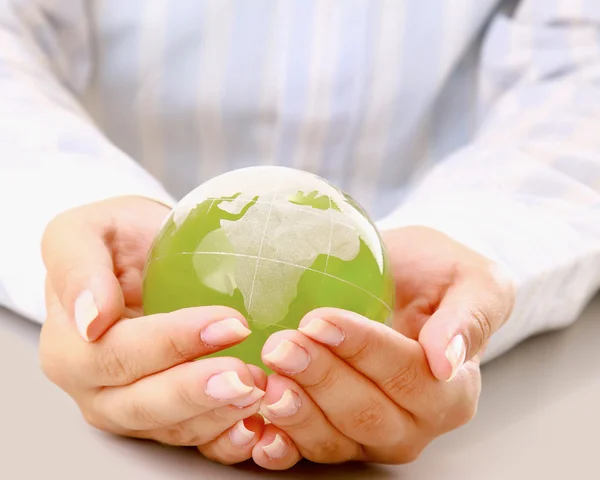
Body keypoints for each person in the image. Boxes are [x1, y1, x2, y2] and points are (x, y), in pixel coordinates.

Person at [1, 0, 599, 470]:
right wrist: (73, 216)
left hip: (422, 294)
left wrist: (475, 240)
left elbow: (584, 68)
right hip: (131, 260)